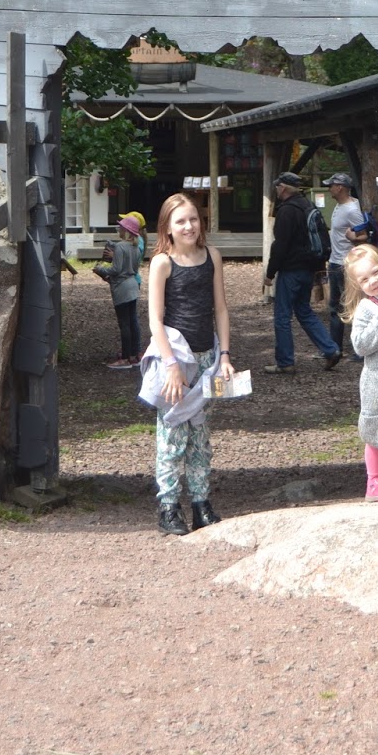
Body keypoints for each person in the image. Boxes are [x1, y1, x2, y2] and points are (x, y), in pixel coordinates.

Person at [140, 192, 233, 536]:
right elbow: (155, 319)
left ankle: (201, 503)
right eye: (180, 221)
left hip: (207, 357)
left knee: (200, 436)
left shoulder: (212, 256)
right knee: (172, 434)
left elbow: (220, 308)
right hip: (175, 358)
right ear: (167, 227)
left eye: (193, 219)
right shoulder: (162, 263)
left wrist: (225, 355)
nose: (189, 226)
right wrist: (171, 364)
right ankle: (168, 506)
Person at [264, 171, 341, 373]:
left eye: (277, 186)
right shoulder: (309, 205)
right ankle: (331, 349)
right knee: (304, 311)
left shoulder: (286, 211)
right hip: (308, 268)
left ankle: (285, 362)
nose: (276, 190)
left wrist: (270, 273)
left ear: (283, 188)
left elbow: (280, 246)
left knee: (282, 315)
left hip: (290, 270)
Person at [341, 242, 378, 501]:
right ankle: (374, 481)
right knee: (376, 430)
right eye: (365, 279)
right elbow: (361, 345)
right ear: (358, 285)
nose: (373, 281)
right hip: (377, 380)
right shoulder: (367, 308)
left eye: (376, 272)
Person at [322, 172, 363, 353]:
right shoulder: (340, 206)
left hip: (346, 265)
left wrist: (353, 237)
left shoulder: (352, 210)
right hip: (335, 262)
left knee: (351, 307)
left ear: (340, 187)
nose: (329, 188)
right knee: (335, 308)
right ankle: (334, 348)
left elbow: (363, 236)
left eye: (331, 185)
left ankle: (359, 349)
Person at [94, 214, 143, 369]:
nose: (119, 230)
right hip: (133, 285)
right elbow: (134, 268)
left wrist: (101, 269)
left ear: (126, 231)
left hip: (121, 288)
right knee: (133, 321)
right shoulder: (136, 247)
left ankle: (125, 358)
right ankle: (135, 355)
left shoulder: (121, 246)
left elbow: (116, 270)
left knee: (124, 324)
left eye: (121, 227)